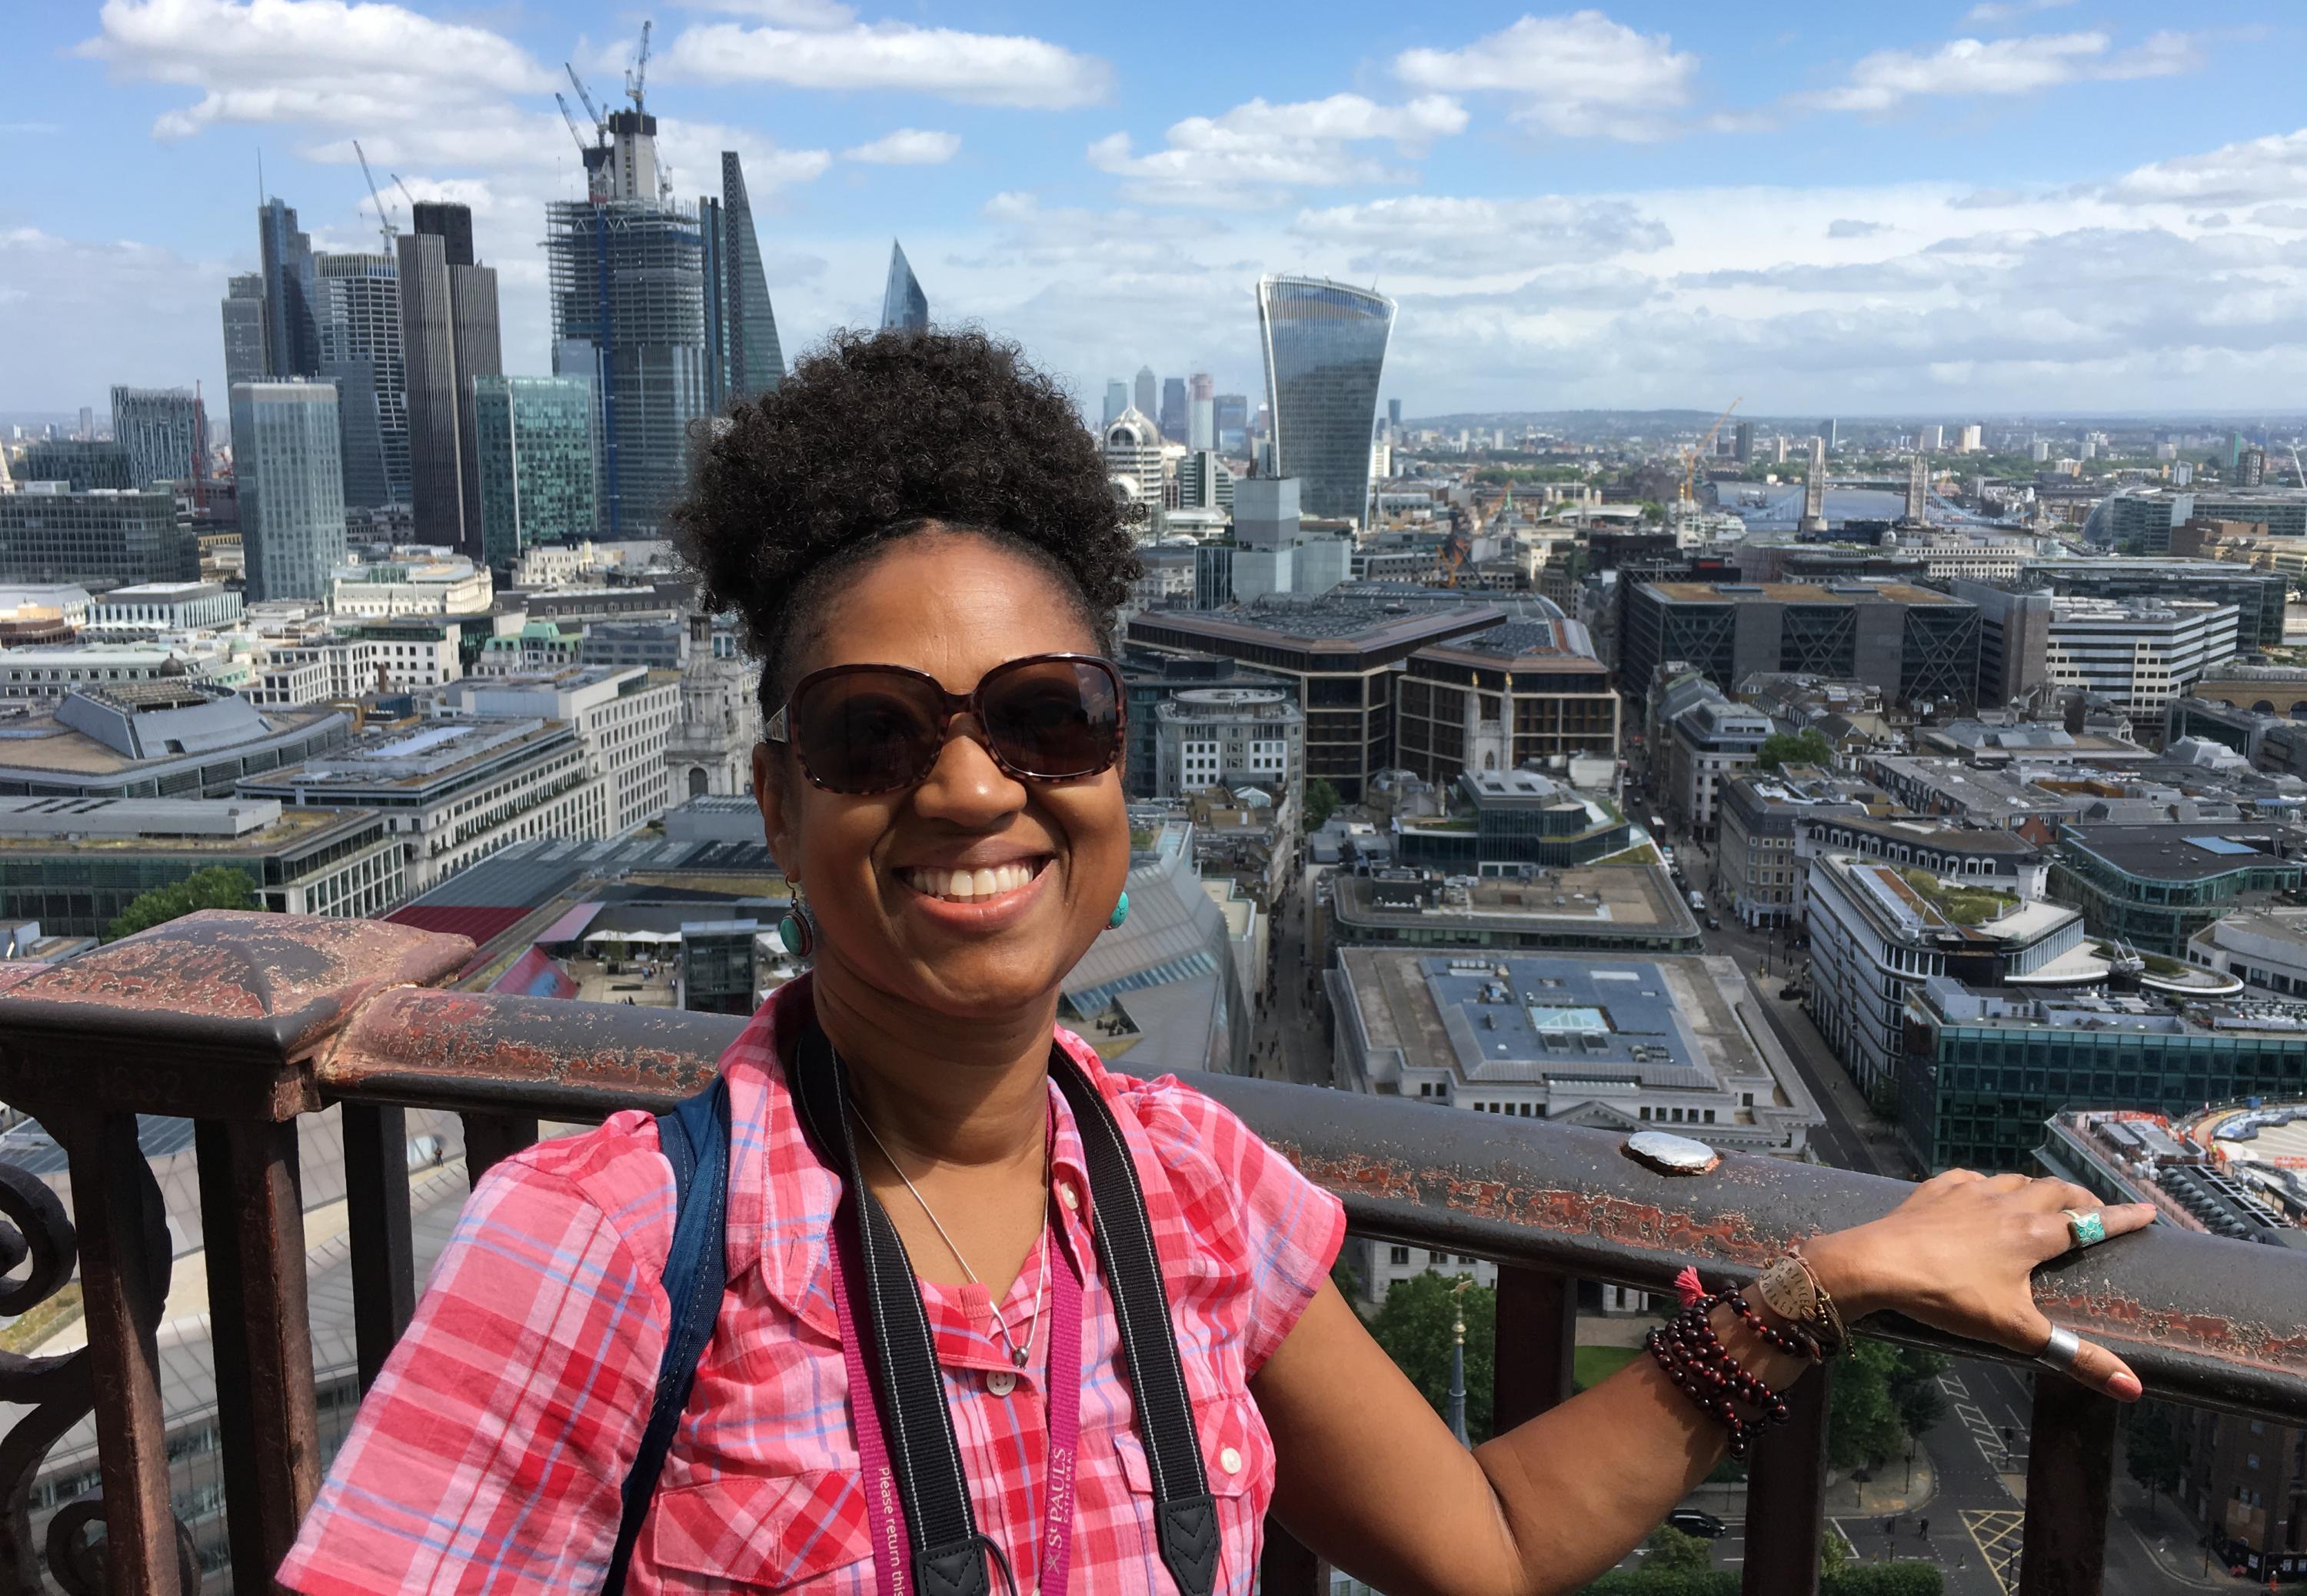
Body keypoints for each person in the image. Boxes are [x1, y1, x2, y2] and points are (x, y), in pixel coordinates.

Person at [279, 330, 2153, 1596]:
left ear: (1114, 755)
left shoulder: (1180, 1188)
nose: (964, 785)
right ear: (775, 805)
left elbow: (1480, 1544)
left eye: (1043, 711)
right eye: (870, 733)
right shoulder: (600, 1253)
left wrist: (1822, 1286)